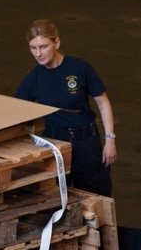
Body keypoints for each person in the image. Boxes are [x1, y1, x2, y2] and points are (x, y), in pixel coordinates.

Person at [14, 19, 117, 197]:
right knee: (58, 197)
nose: (38, 53)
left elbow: (103, 102)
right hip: (55, 144)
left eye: (43, 46)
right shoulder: (34, 78)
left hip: (86, 142)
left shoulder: (80, 68)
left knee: (97, 193)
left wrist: (110, 140)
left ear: (57, 42)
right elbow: (16, 110)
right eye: (33, 48)